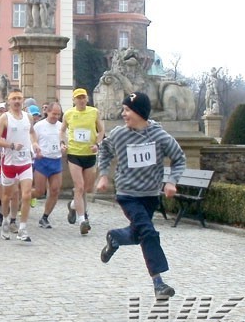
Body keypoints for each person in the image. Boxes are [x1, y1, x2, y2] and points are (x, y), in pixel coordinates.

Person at [96, 92, 186, 299]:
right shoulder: (119, 134)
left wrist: (172, 181)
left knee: (138, 233)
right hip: (128, 194)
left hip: (150, 195)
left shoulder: (160, 137)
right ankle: (159, 283)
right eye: (124, 109)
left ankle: (115, 237)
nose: (123, 114)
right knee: (148, 232)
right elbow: (105, 150)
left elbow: (179, 158)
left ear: (139, 112)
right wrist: (103, 175)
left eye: (127, 110)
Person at [0, 89, 41, 242]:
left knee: (26, 195)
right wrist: (11, 145)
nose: (17, 101)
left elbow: (32, 132)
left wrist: (34, 143)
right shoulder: (4, 118)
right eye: (14, 99)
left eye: (19, 98)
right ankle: (6, 220)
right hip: (9, 162)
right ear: (9, 101)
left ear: (23, 100)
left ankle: (23, 228)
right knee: (7, 196)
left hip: (25, 161)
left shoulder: (28, 117)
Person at [60, 87, 105, 235]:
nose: (81, 100)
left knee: (87, 188)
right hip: (74, 153)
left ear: (87, 99)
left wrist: (97, 144)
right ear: (74, 100)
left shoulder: (94, 112)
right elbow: (62, 130)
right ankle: (82, 220)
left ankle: (73, 205)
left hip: (90, 154)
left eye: (83, 97)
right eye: (78, 98)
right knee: (79, 187)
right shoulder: (68, 114)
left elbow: (101, 130)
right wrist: (63, 143)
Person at [33, 102, 64, 229]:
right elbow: (33, 141)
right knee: (39, 191)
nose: (56, 116)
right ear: (47, 112)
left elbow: (64, 140)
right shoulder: (39, 126)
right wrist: (36, 150)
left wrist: (63, 147)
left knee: (55, 190)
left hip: (56, 160)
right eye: (53, 114)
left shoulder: (61, 126)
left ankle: (45, 217)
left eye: (58, 114)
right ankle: (19, 198)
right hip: (42, 160)